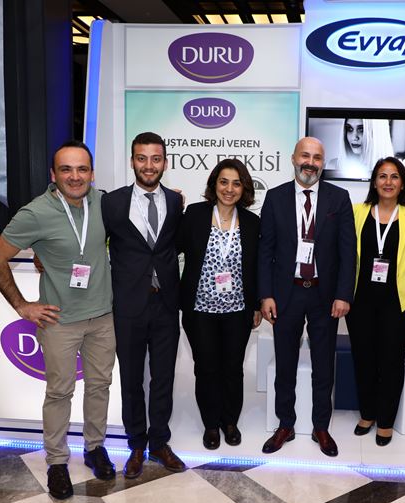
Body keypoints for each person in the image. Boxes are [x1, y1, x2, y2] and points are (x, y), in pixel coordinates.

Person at [0, 141, 116, 500]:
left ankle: (94, 448)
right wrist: (22, 306)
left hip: (103, 317)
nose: (75, 176)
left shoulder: (104, 203)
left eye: (82, 169)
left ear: (92, 173)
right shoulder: (35, 213)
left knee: (100, 386)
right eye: (66, 169)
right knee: (59, 392)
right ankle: (57, 462)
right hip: (59, 321)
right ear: (53, 174)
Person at [259, 137, 356, 457]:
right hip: (285, 294)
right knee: (285, 364)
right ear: (293, 158)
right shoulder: (275, 198)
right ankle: (285, 424)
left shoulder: (339, 198)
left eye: (317, 157)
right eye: (305, 155)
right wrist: (266, 295)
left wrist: (343, 295)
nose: (310, 163)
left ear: (323, 163)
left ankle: (321, 427)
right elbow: (265, 250)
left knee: (324, 366)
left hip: (324, 297)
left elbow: (348, 253)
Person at [101, 132, 185, 478]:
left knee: (163, 378)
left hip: (165, 304)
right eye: (142, 158)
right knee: (131, 379)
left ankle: (159, 442)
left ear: (165, 162)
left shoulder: (176, 202)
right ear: (132, 161)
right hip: (128, 306)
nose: (149, 166)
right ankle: (136, 444)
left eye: (155, 159)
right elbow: (90, 243)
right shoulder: (111, 203)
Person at [178, 159, 261, 450]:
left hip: (237, 311)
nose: (229, 189)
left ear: (244, 188)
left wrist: (256, 305)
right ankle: (211, 424)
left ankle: (230, 422)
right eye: (224, 182)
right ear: (214, 184)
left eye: (236, 183)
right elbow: (170, 248)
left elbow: (256, 267)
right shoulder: (195, 214)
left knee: (233, 368)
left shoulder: (252, 222)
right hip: (200, 309)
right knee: (206, 368)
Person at [347, 157, 405, 446]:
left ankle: (385, 421)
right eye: (382, 176)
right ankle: (367, 414)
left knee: (391, 363)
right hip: (360, 303)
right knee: (363, 360)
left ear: (402, 183)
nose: (388, 182)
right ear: (374, 182)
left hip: (396, 304)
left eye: (394, 176)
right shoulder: (357, 212)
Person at [326, 118, 394, 180]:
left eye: (361, 130)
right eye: (350, 129)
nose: (354, 137)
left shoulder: (394, 170)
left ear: (377, 133)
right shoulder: (332, 166)